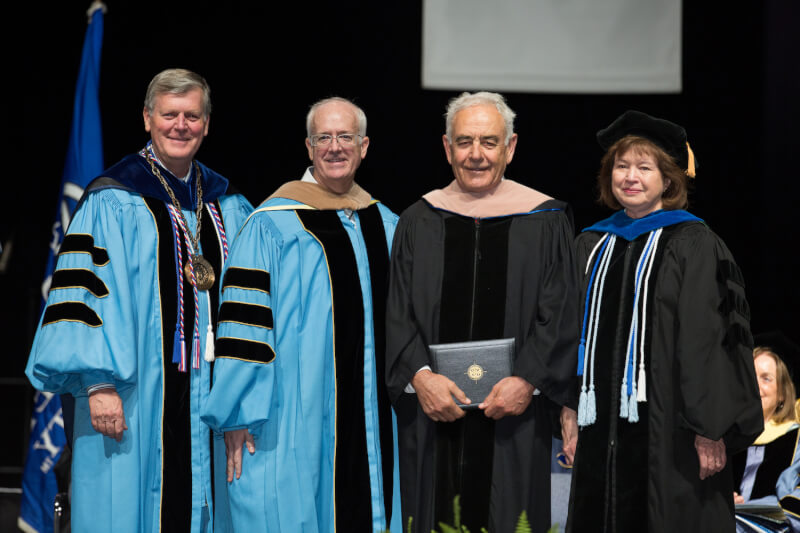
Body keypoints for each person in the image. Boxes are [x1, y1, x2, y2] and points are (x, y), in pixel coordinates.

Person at [25, 68, 253, 533]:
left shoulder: (228, 205)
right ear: (148, 118)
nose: (181, 125)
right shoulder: (113, 198)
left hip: (209, 399)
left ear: (207, 124)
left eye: (192, 115)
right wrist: (98, 384)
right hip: (130, 398)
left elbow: (247, 304)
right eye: (170, 114)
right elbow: (81, 300)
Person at [201, 97, 401, 533]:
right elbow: (243, 327)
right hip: (289, 416)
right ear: (308, 147)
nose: (335, 147)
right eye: (323, 138)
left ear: (364, 147)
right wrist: (237, 413)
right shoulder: (271, 224)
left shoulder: (385, 224)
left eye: (345, 137)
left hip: (373, 420)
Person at [385, 91, 579, 533]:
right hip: (433, 413)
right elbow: (397, 311)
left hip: (515, 415)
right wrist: (421, 378)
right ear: (446, 147)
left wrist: (527, 381)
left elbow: (561, 313)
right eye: (465, 142)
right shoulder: (419, 219)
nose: (476, 155)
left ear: (510, 147)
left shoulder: (545, 219)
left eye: (489, 142)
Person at [566, 110, 763, 532]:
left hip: (674, 436)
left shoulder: (695, 243)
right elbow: (568, 335)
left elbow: (713, 340)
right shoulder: (591, 246)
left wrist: (710, 429)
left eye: (643, 167)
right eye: (621, 166)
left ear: (668, 179)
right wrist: (568, 408)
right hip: (600, 433)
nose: (630, 176)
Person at [733, 347, 800, 532]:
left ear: (782, 394)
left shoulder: (795, 439)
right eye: (750, 376)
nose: (755, 384)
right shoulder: (722, 439)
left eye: (766, 378)